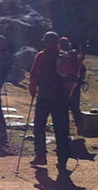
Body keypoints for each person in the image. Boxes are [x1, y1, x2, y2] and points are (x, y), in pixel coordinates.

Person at [28, 31, 70, 179]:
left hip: (44, 97)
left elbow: (34, 75)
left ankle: (41, 156)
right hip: (61, 100)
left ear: (46, 42)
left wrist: (33, 91)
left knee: (39, 126)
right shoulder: (64, 56)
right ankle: (62, 162)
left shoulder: (41, 56)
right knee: (62, 131)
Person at [58, 37, 86, 135]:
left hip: (63, 86)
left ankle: (65, 131)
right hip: (75, 85)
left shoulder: (61, 56)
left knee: (63, 109)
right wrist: (80, 81)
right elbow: (83, 70)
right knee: (75, 108)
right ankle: (80, 127)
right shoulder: (76, 57)